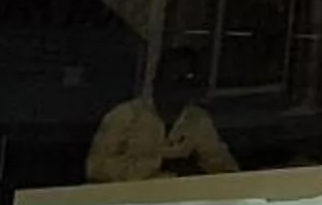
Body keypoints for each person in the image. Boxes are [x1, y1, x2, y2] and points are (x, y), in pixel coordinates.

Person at [86, 49, 239, 184]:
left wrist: (199, 171)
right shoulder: (124, 115)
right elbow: (95, 169)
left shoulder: (198, 119)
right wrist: (159, 164)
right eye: (174, 77)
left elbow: (225, 168)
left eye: (188, 78)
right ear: (157, 81)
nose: (180, 85)